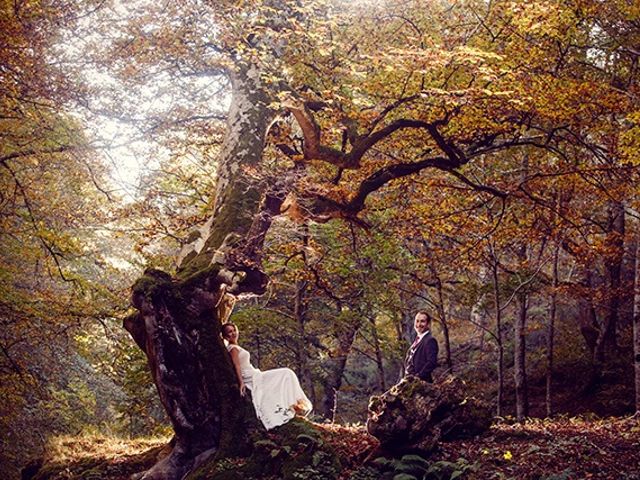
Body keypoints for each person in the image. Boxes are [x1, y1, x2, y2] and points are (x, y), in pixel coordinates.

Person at [221, 322, 312, 430]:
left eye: (234, 330)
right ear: (226, 336)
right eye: (229, 332)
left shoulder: (236, 346)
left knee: (287, 375)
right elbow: (237, 366)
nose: (233, 333)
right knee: (286, 373)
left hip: (254, 373)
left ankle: (294, 405)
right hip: (251, 377)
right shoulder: (233, 349)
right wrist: (241, 383)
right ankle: (294, 405)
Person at [404, 311, 438, 382]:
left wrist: (418, 378)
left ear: (428, 324)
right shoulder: (416, 341)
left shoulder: (430, 341)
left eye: (422, 321)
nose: (419, 324)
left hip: (422, 385)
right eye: (417, 321)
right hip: (409, 384)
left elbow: (431, 363)